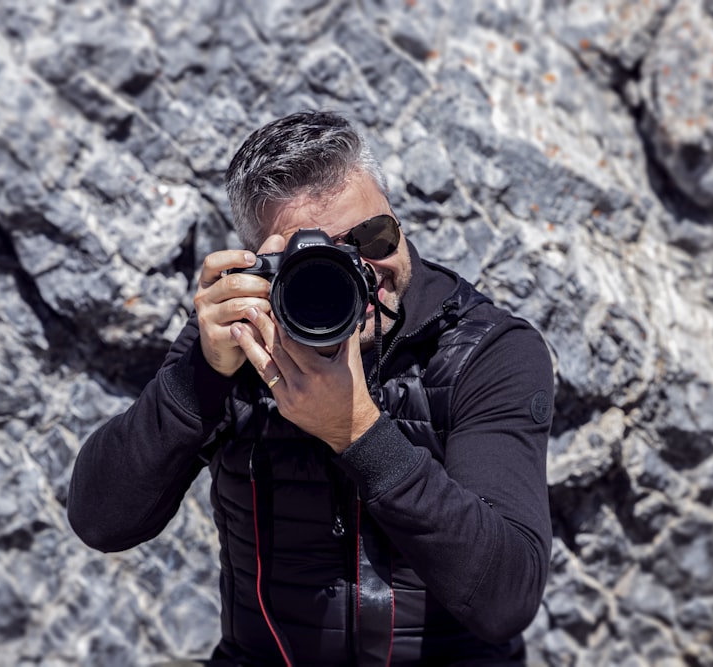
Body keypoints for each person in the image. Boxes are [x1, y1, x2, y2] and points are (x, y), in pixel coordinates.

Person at [68, 110, 554, 666]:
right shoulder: (242, 341)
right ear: (263, 265)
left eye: (373, 237)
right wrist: (197, 376)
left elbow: (506, 596)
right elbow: (100, 521)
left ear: (399, 221)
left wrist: (358, 434)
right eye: (320, 257)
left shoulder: (483, 350)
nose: (363, 271)